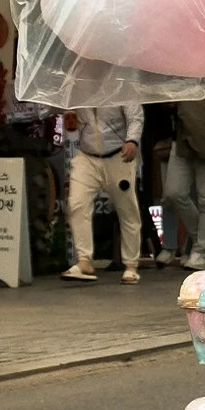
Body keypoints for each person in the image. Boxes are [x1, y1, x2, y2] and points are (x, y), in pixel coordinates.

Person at [64, 95, 143, 281]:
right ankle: (84, 260)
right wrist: (70, 117)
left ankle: (131, 264)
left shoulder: (120, 83)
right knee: (77, 204)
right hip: (87, 155)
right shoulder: (77, 86)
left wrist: (132, 140)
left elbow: (135, 116)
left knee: (127, 210)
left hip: (118, 155)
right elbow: (70, 118)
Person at [165, 95, 205, 269]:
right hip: (182, 137)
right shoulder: (177, 72)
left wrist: (190, 95)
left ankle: (201, 252)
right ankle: (200, 238)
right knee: (173, 192)